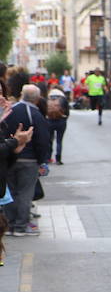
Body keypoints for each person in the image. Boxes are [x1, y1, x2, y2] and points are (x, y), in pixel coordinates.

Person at [3, 85, 50, 236]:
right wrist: (42, 160)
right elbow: (43, 139)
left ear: (22, 95)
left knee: (10, 191)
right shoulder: (35, 115)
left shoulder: (10, 111)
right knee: (25, 193)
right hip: (29, 160)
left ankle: (9, 225)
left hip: (9, 157)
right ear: (37, 98)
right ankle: (21, 226)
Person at [46, 91, 69, 164]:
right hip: (61, 121)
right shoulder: (63, 99)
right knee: (59, 140)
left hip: (49, 120)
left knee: (49, 140)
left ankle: (48, 158)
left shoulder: (48, 99)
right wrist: (64, 118)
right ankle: (58, 159)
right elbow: (67, 112)